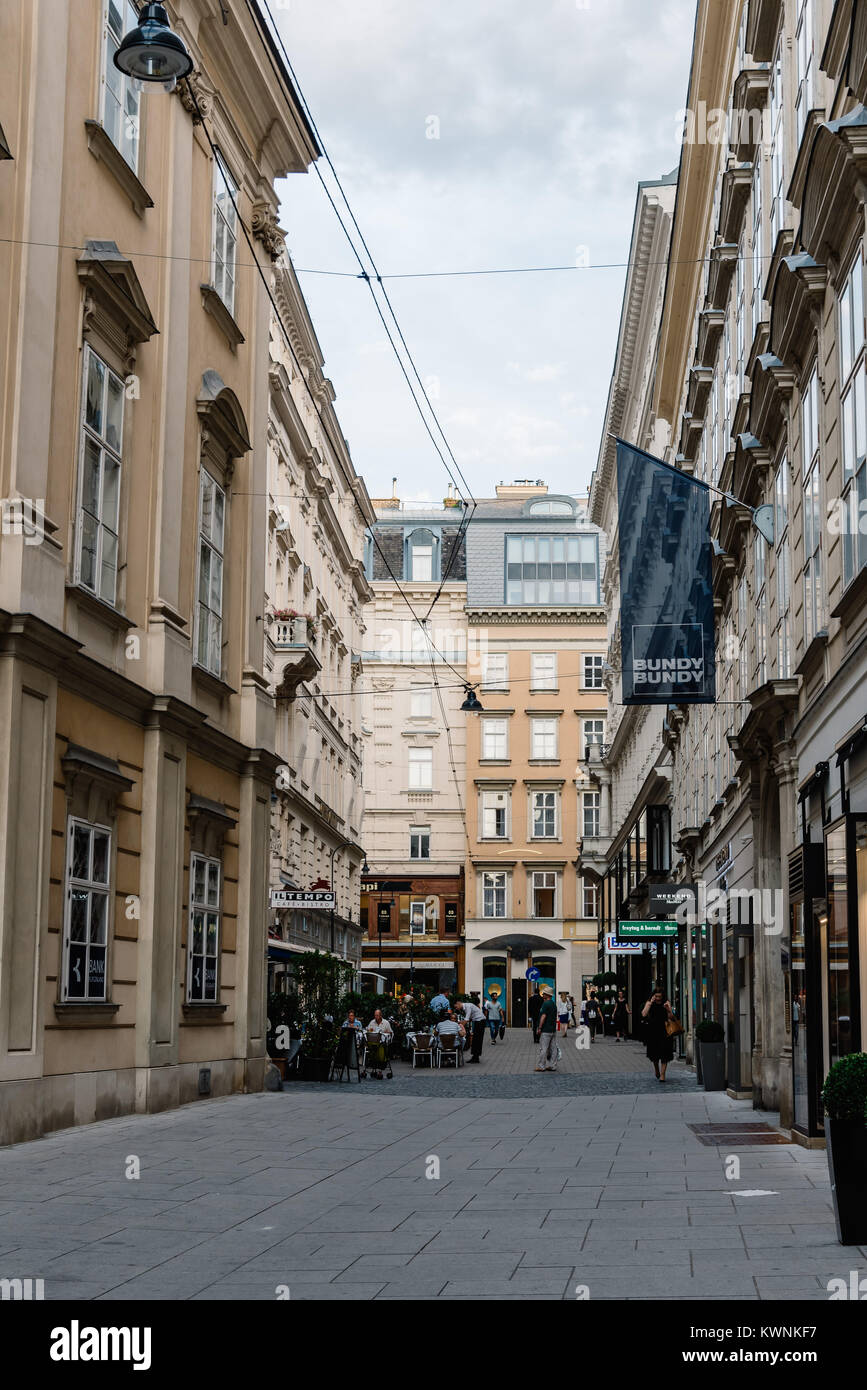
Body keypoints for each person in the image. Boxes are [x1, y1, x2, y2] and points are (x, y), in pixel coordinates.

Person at [641, 984, 675, 1081]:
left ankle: (663, 1075)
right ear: (653, 996)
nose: (658, 998)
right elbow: (644, 1014)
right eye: (656, 996)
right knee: (654, 1054)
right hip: (653, 1030)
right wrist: (650, 1003)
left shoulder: (666, 1003)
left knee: (665, 1053)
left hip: (665, 1030)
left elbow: (672, 1018)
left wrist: (668, 1010)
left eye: (660, 996)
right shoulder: (649, 1003)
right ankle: (656, 1069)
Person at [364, 1008, 393, 1080]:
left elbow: (391, 1033)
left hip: (382, 1044)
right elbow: (368, 1030)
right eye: (375, 1015)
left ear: (380, 1016)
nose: (376, 1017)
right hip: (373, 1043)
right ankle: (373, 1064)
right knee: (372, 1046)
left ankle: (380, 1067)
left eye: (377, 1015)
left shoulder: (386, 1023)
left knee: (381, 1047)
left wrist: (387, 1033)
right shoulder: (372, 1022)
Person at [535, 986, 559, 1071]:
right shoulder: (553, 1004)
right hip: (552, 1029)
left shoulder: (545, 1004)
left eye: (544, 993)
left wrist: (539, 1027)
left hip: (545, 1030)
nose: (543, 994)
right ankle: (553, 1065)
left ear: (547, 995)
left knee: (543, 1049)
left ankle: (541, 1066)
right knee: (553, 1048)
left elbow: (543, 1016)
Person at [457, 997, 486, 1062]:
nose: (456, 1008)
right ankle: (475, 1056)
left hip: (480, 1022)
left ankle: (476, 1057)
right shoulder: (466, 1007)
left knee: (477, 1039)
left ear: (458, 1003)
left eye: (456, 1007)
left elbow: (466, 1020)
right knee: (475, 1039)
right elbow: (468, 1019)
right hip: (478, 1022)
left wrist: (458, 1027)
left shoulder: (468, 1006)